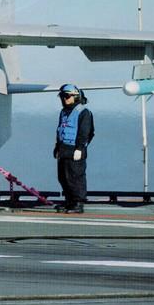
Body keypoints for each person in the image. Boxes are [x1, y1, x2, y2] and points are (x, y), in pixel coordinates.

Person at [53, 83, 94, 214]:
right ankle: (69, 201)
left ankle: (78, 203)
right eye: (62, 96)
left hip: (75, 149)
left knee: (75, 176)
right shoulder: (64, 112)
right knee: (63, 176)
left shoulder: (83, 112)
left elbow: (86, 131)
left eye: (67, 96)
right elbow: (60, 130)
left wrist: (80, 148)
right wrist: (57, 147)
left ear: (75, 96)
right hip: (64, 148)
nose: (64, 99)